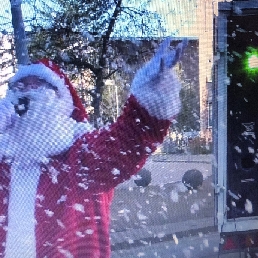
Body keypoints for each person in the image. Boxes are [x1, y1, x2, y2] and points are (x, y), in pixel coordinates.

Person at [0, 38, 186, 258]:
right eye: (18, 86)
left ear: (59, 99)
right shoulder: (5, 161)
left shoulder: (77, 154)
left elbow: (123, 144)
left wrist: (150, 98)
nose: (24, 93)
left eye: (36, 86)